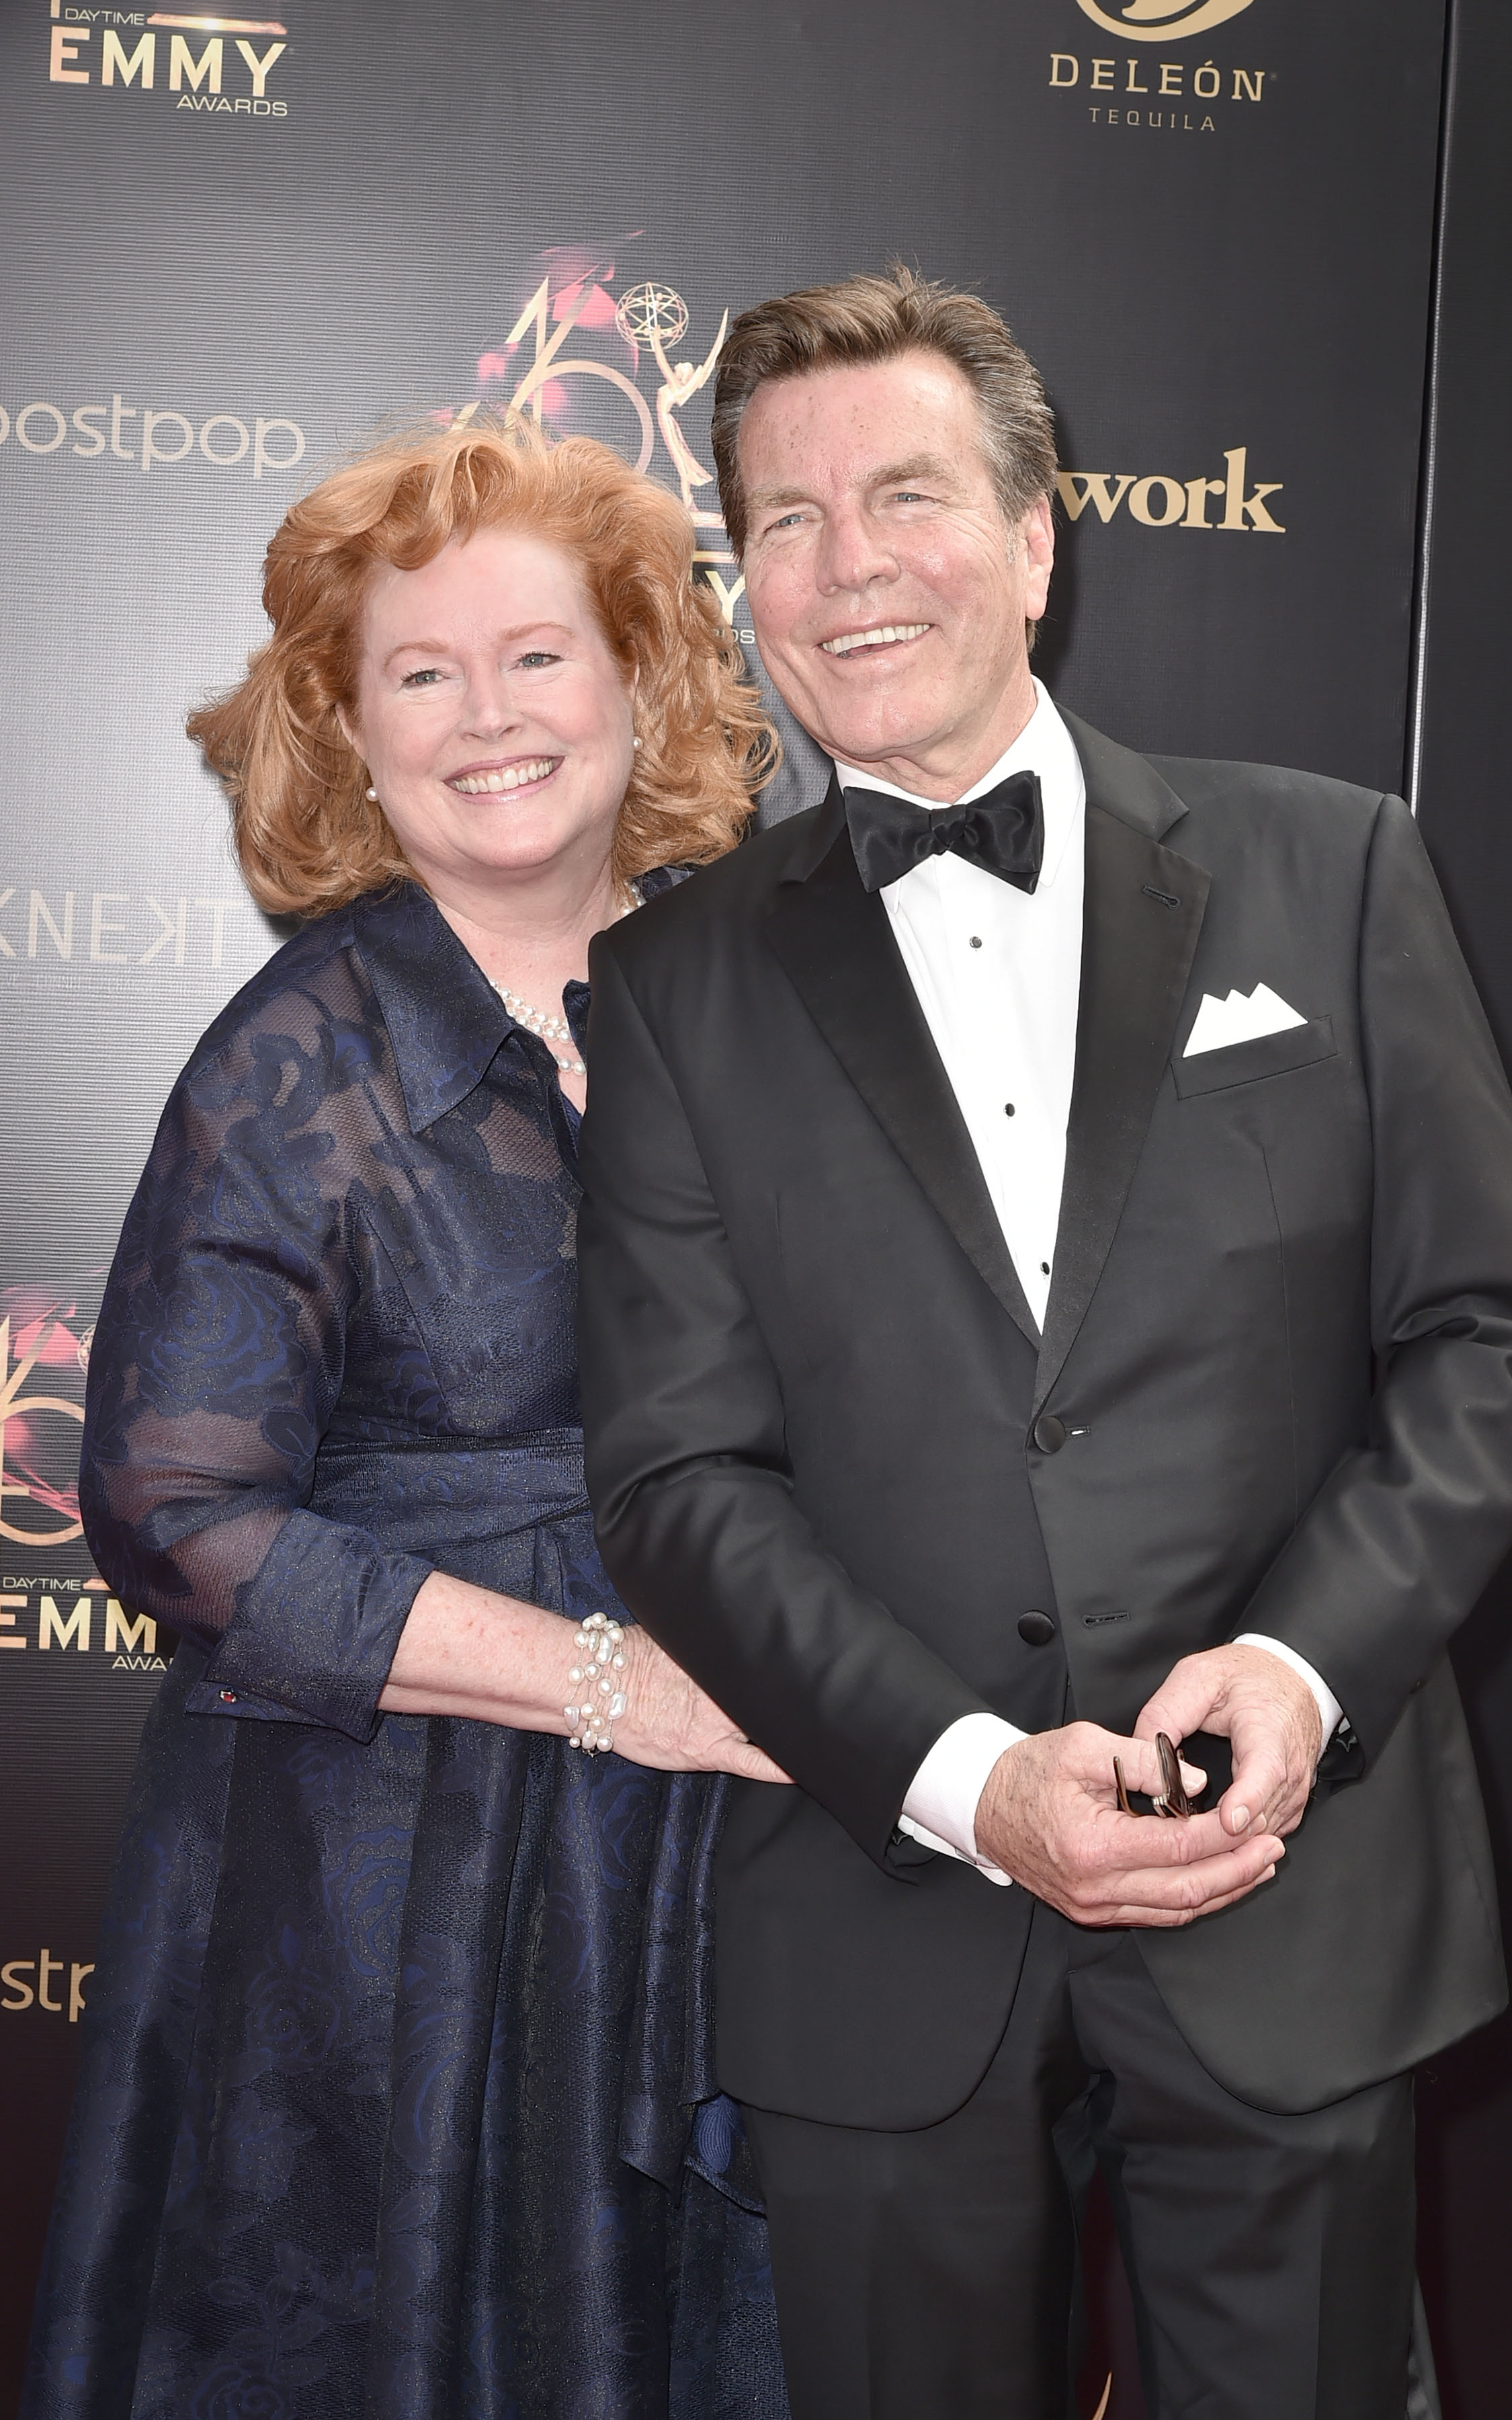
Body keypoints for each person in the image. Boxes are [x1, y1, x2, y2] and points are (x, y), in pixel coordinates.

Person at [574, 268, 1512, 2420]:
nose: (847, 568)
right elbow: (674, 1478)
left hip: (1285, 1884)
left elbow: (1498, 1337)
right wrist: (967, 1782)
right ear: (739, 577)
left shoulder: (1335, 870)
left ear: (1039, 539)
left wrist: (1304, 1668)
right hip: (887, 1922)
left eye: (908, 497)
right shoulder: (671, 991)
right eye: (781, 521)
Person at [24, 421, 791, 2420]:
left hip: (748, 1854)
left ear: (641, 673)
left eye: (538, 654)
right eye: (418, 675)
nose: (489, 718)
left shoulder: (766, 1003)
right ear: (348, 735)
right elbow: (178, 1519)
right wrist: (620, 1687)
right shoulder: (292, 1064)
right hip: (390, 1893)